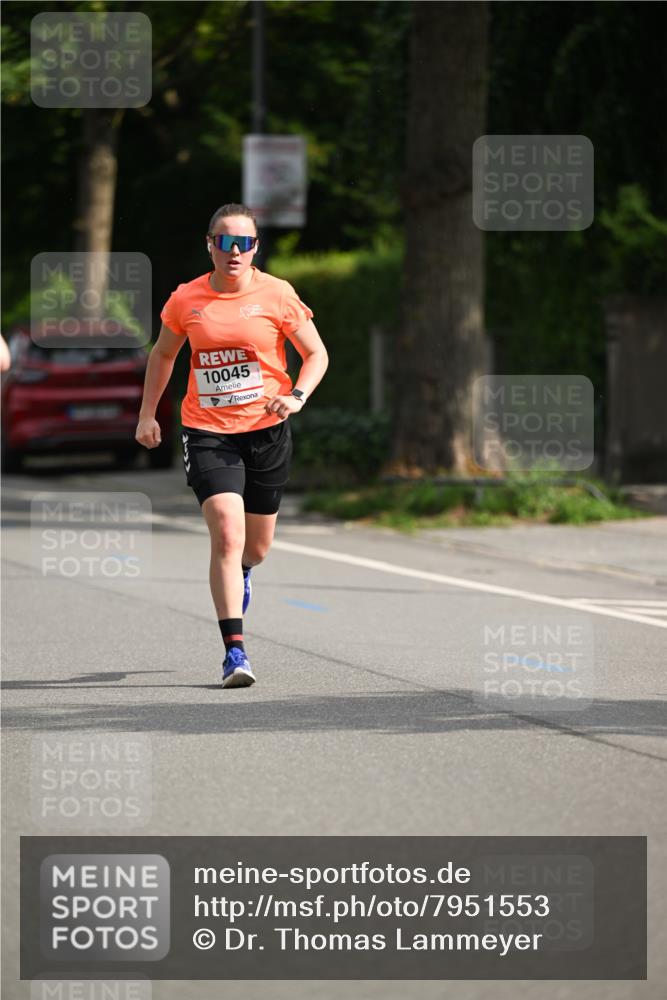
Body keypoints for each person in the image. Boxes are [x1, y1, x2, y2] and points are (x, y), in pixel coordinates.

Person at [135, 203, 328, 688]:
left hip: (265, 431)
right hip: (207, 432)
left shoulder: (277, 294)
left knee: (255, 548)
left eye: (244, 243)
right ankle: (234, 654)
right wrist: (147, 415)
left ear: (256, 248)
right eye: (225, 242)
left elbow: (315, 353)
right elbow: (162, 355)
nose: (234, 251)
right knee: (226, 528)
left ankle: (243, 568)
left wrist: (298, 395)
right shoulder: (187, 299)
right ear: (210, 245)